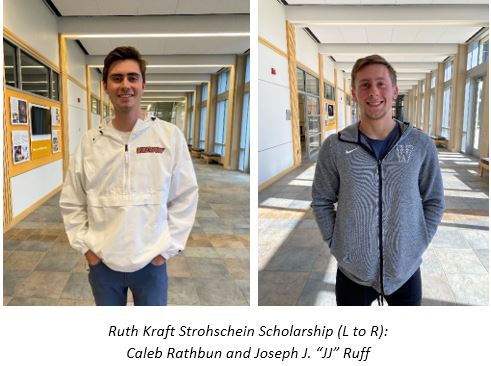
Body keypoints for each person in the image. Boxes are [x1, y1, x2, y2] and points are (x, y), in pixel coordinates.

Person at [60, 46, 199, 306]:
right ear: (105, 86)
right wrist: (88, 250)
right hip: (103, 265)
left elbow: (185, 196)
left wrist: (165, 251)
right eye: (117, 78)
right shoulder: (90, 142)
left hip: (151, 263)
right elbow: (72, 200)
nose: (125, 85)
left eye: (132, 77)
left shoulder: (168, 137)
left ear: (143, 84)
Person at [311, 54, 444, 306]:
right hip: (353, 271)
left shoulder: (419, 144)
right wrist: (337, 245)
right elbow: (321, 201)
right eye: (365, 84)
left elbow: (434, 200)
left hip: (404, 270)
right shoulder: (335, 147)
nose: (373, 92)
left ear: (394, 91)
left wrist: (418, 242)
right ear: (354, 93)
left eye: (381, 83)